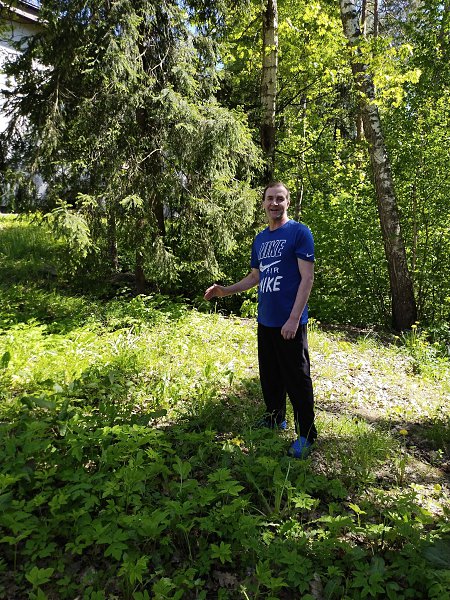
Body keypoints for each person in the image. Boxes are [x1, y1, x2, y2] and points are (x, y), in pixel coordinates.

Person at [204, 181, 317, 458]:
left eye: (280, 198)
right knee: (270, 376)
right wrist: (225, 290)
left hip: (290, 323)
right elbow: (256, 276)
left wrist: (294, 318)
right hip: (266, 320)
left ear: (287, 202)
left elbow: (307, 278)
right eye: (270, 199)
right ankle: (275, 418)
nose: (274, 203)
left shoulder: (299, 232)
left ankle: (306, 435)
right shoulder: (260, 240)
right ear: (264, 203)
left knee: (297, 379)